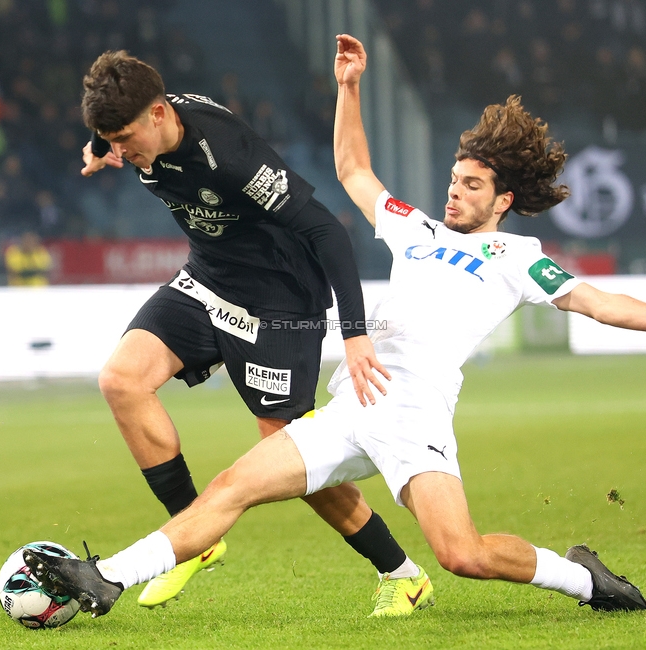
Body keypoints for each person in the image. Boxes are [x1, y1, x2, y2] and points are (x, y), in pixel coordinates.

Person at [25, 35, 646, 619]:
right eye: (454, 178)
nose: (454, 190)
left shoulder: (516, 256)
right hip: (356, 403)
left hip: (415, 412)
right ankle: (106, 576)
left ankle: (584, 581)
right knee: (231, 487)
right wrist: (349, 90)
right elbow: (352, 170)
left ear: (503, 199)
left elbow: (598, 303)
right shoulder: (414, 228)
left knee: (462, 554)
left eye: (471, 184)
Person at [77, 50, 420, 615]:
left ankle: (401, 572)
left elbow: (329, 232)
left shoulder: (228, 158)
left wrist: (355, 334)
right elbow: (110, 134)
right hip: (208, 278)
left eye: (124, 138)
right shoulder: (135, 124)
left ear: (159, 114)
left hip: (280, 296)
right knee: (121, 380)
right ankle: (193, 540)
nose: (121, 151)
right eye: (109, 138)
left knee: (283, 446)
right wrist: (99, 149)